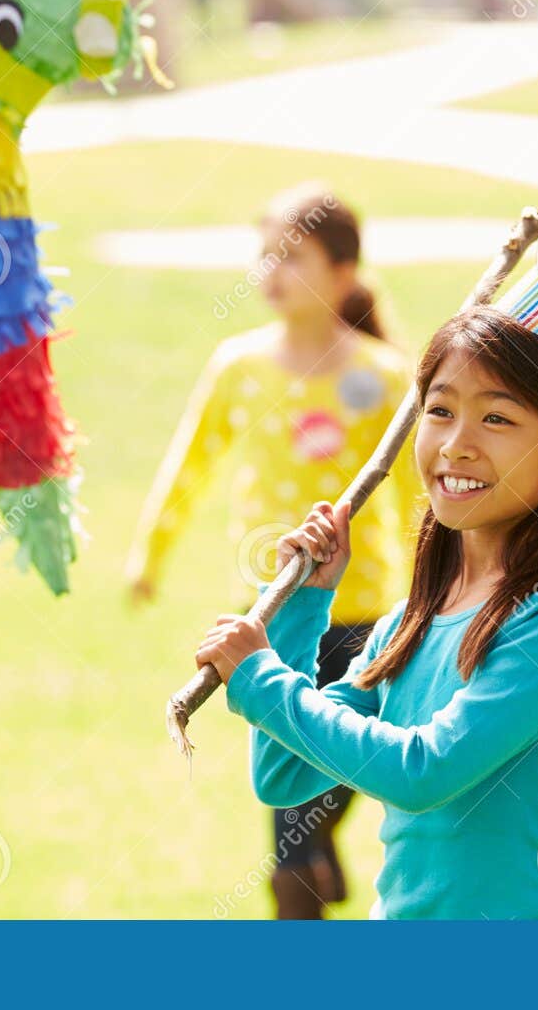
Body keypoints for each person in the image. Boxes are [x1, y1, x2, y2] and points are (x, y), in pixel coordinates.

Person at [194, 192, 538, 918]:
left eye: (497, 417)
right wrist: (303, 610)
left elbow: (423, 771)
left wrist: (260, 675)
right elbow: (282, 774)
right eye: (439, 408)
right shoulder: (415, 616)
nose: (457, 442)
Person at [127, 183, 420, 918]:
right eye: (265, 254)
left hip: (364, 610)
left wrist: (430, 588)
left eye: (293, 255)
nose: (272, 270)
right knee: (285, 803)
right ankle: (302, 888)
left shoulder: (385, 376)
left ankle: (311, 857)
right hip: (265, 614)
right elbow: (189, 461)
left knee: (344, 752)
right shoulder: (239, 365)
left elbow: (420, 495)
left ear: (345, 272)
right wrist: (148, 553)